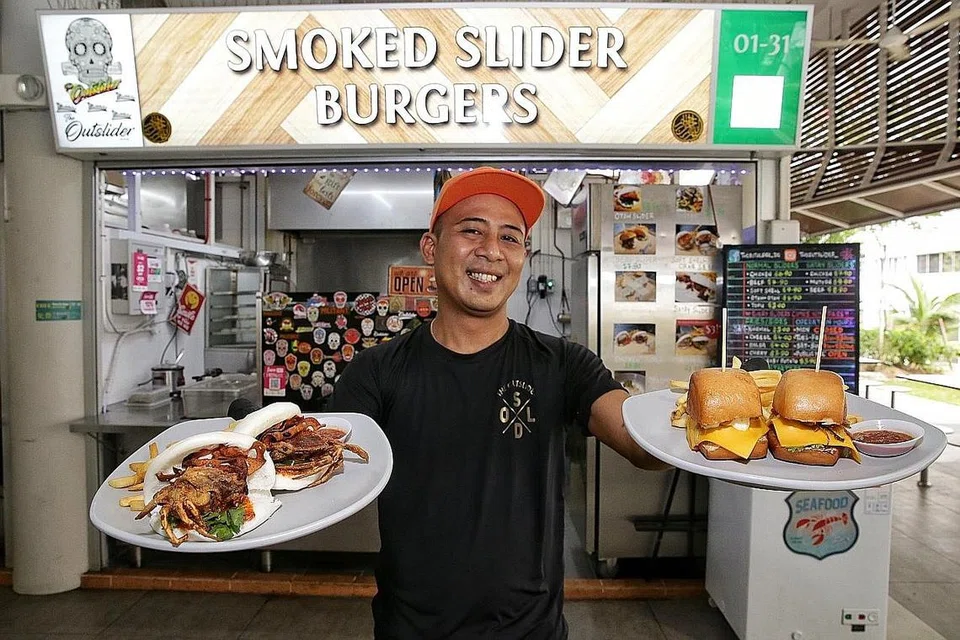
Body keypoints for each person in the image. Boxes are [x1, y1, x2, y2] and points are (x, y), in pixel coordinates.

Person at [328, 166, 666, 639]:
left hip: (531, 631)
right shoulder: (377, 371)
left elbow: (640, 443)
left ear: (523, 256)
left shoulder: (563, 364)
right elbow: (322, 467)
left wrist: (715, 432)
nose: (491, 251)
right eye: (471, 231)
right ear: (431, 247)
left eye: (511, 238)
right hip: (410, 629)